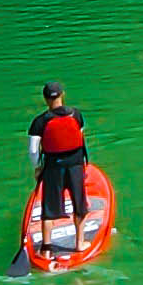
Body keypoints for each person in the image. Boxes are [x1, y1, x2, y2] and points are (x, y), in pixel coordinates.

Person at [28, 83, 93, 245]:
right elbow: (81, 140)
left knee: (49, 208)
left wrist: (37, 168)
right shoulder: (76, 115)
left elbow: (33, 151)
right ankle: (80, 244)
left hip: (53, 167)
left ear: (45, 99)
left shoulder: (39, 122)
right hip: (75, 165)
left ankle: (47, 248)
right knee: (80, 204)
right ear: (62, 95)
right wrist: (85, 164)